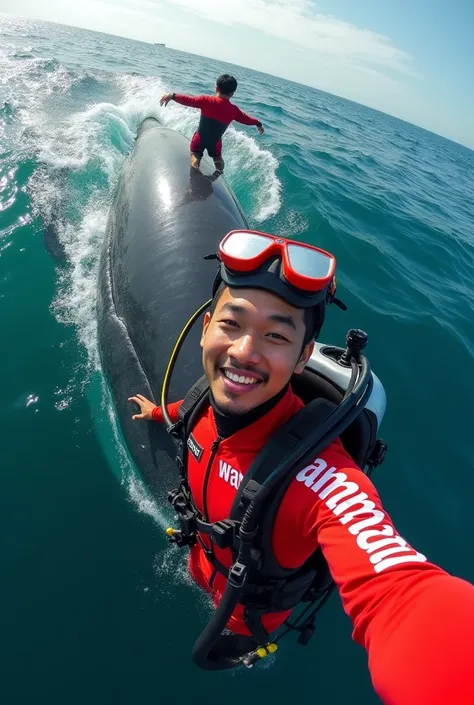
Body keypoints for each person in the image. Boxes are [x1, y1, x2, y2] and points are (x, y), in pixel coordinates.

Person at [129, 231, 474, 703]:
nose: (245, 351)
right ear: (207, 326)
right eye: (232, 324)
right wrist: (157, 412)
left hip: (244, 619)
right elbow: (198, 412)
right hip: (201, 561)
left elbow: (400, 589)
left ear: (302, 358)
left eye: (276, 335)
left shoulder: (323, 480)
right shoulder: (206, 399)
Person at [160, 74, 264, 173]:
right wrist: (258, 123)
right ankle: (220, 171)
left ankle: (195, 167)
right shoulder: (234, 110)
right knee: (217, 158)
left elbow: (189, 100)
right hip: (215, 143)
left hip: (200, 138)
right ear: (232, 93)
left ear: (216, 88)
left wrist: (172, 96)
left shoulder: (206, 100)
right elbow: (246, 119)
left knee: (195, 153)